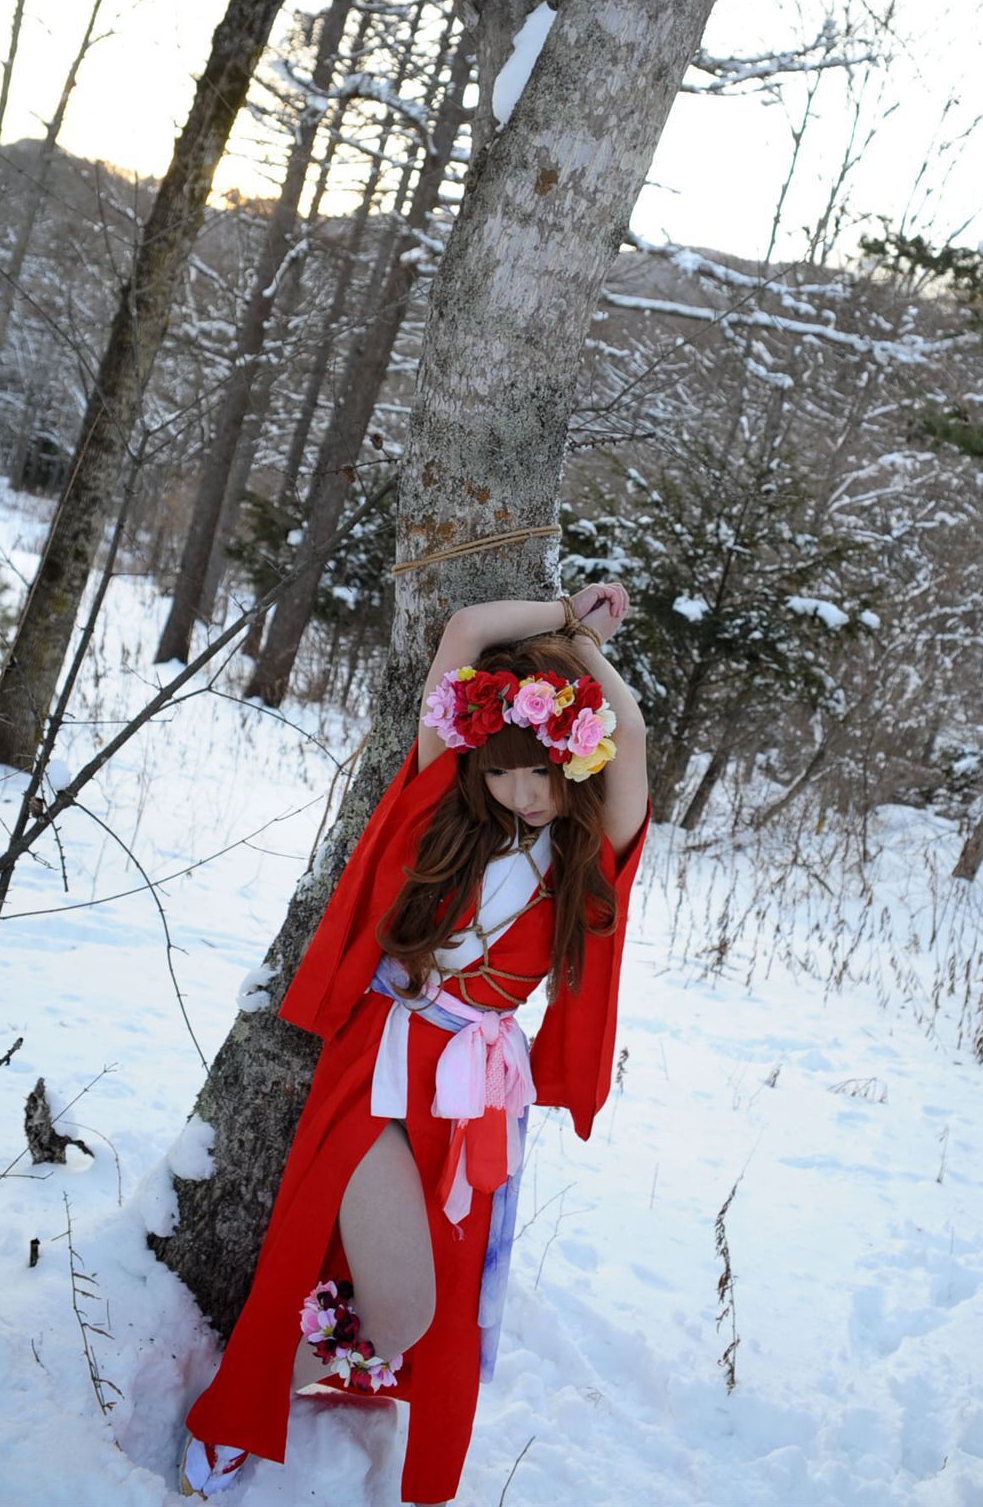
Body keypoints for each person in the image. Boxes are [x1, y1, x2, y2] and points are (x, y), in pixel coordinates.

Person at [180, 584, 650, 1505]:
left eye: (544, 774)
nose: (524, 793)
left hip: (476, 1089)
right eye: (507, 771)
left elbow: (626, 727)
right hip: (382, 1062)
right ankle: (238, 1411)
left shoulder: (587, 858)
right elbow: (468, 632)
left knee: (436, 1303)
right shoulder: (445, 801)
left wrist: (584, 650)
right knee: (400, 1307)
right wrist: (561, 612)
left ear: (574, 768)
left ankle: (340, 1369)